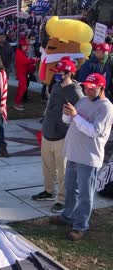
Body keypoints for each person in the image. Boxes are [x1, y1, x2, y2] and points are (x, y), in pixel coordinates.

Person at [50, 73, 113, 240]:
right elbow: (68, 121)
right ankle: (67, 217)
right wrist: (67, 113)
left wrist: (75, 115)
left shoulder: (106, 108)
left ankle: (80, 226)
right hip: (73, 154)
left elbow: (94, 131)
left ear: (101, 88)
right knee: (70, 190)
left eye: (92, 88)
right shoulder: (83, 100)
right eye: (86, 87)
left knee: (85, 194)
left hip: (89, 157)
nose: (87, 90)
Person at [32, 58, 84, 213]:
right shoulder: (55, 86)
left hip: (62, 137)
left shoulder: (76, 92)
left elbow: (80, 114)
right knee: (47, 166)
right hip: (48, 132)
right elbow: (50, 105)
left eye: (60, 73)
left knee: (63, 170)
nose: (56, 75)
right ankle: (48, 191)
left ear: (69, 73)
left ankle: (62, 199)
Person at [14, 38, 37, 111]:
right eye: (24, 46)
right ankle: (17, 102)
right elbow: (25, 61)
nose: (26, 47)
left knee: (21, 88)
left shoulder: (22, 52)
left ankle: (17, 102)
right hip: (21, 73)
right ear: (21, 46)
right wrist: (34, 60)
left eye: (26, 46)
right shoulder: (19, 52)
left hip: (23, 72)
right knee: (23, 88)